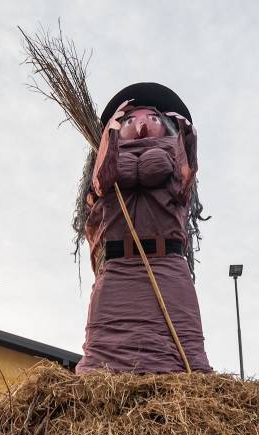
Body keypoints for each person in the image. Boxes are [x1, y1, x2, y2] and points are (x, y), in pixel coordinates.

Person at [74, 82, 212, 374]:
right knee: (102, 367)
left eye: (153, 119)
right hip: (117, 276)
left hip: (167, 272)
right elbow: (99, 187)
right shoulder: (103, 173)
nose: (141, 127)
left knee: (184, 357)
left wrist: (186, 139)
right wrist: (109, 141)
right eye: (129, 121)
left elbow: (187, 176)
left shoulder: (178, 167)